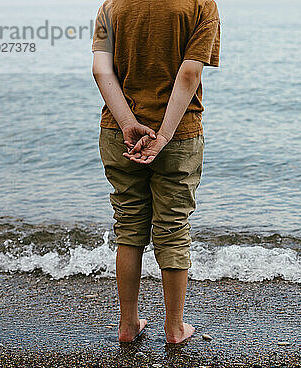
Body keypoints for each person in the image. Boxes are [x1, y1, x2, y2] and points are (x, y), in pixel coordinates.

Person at [91, 0, 220, 343]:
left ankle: (128, 325)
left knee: (129, 228)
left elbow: (101, 71)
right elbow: (189, 73)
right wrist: (162, 135)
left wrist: (128, 122)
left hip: (119, 132)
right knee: (173, 228)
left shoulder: (111, 6)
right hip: (179, 134)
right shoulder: (200, 5)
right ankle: (175, 328)